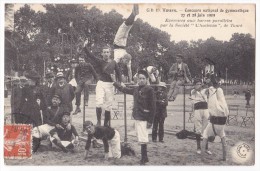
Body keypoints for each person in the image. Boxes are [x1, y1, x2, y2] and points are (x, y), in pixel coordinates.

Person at [113, 70, 156, 165]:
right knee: (140, 136)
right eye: (140, 78)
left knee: (143, 137)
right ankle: (144, 157)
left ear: (146, 79)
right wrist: (115, 83)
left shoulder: (150, 90)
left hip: (145, 117)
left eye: (143, 79)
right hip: (137, 116)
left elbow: (153, 106)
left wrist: (150, 120)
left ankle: (144, 158)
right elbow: (125, 89)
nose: (141, 80)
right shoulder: (136, 89)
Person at [83, 40, 123, 127]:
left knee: (108, 105)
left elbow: (119, 73)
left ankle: (106, 124)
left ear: (110, 53)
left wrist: (121, 82)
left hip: (110, 85)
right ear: (102, 53)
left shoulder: (113, 62)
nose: (106, 54)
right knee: (99, 102)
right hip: (101, 84)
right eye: (104, 52)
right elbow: (91, 56)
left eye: (107, 52)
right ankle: (98, 121)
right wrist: (85, 47)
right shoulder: (100, 61)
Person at [201, 75, 229, 161]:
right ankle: (224, 158)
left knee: (218, 95)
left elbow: (224, 144)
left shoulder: (214, 132)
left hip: (222, 117)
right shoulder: (210, 131)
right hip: (219, 117)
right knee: (216, 96)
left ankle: (213, 85)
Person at [113, 4, 139, 83]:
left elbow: (129, 71)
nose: (125, 63)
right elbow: (129, 71)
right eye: (125, 61)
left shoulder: (124, 59)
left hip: (120, 43)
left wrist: (130, 80)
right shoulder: (119, 58)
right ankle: (133, 14)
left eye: (126, 62)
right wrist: (130, 80)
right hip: (120, 42)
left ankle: (133, 14)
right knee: (126, 27)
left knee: (127, 27)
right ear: (124, 58)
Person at [189, 78, 212, 155]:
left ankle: (206, 148)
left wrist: (207, 83)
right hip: (197, 110)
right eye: (197, 84)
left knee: (206, 129)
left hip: (205, 109)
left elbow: (209, 89)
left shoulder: (205, 90)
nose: (199, 85)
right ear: (194, 85)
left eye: (200, 84)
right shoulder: (193, 91)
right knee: (198, 129)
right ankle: (198, 147)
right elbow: (192, 101)